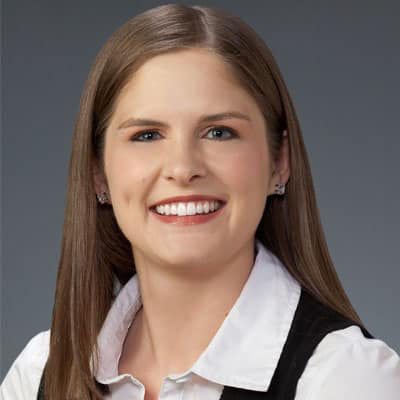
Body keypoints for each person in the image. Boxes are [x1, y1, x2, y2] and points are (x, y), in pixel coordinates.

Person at [1, 3, 399, 400]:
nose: (182, 168)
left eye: (219, 132)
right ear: (98, 173)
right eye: (147, 135)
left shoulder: (346, 379)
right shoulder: (39, 374)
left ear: (280, 162)